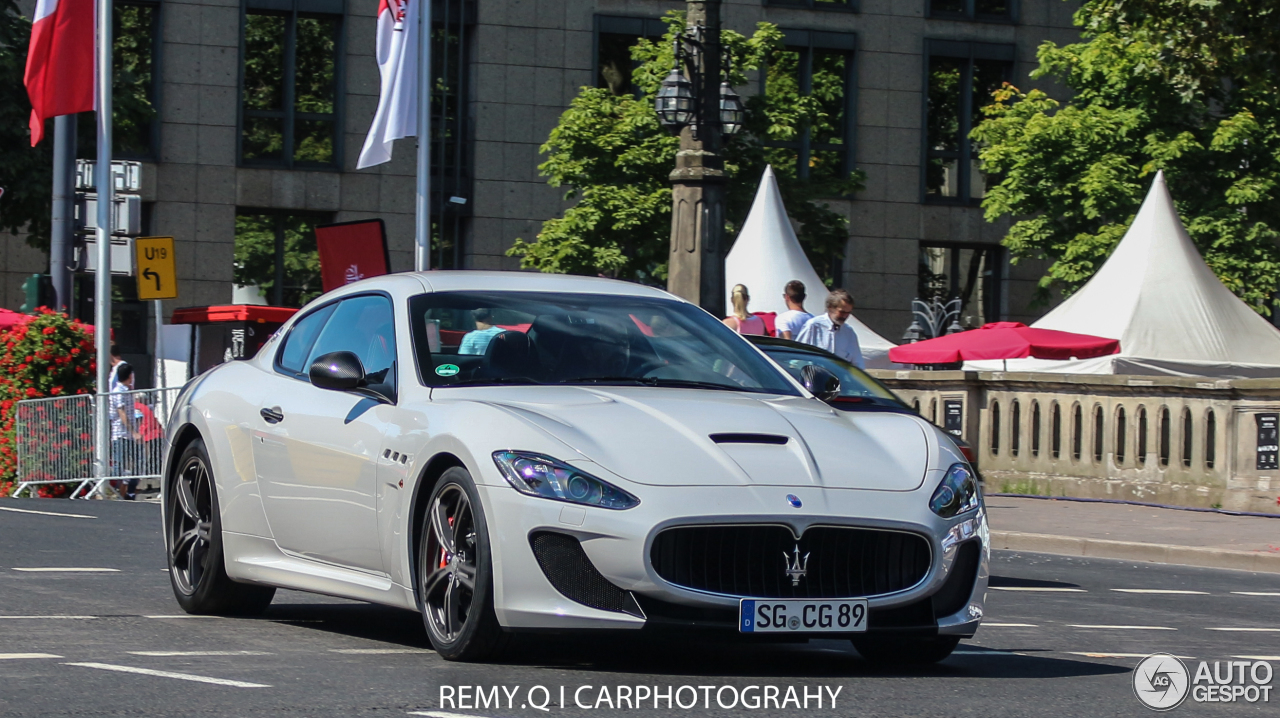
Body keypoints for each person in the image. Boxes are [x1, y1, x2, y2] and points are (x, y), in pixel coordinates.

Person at [795, 288, 865, 369]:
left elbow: (858, 363)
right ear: (830, 307)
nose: (845, 316)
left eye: (848, 313)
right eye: (842, 312)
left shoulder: (849, 332)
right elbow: (798, 356)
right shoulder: (813, 326)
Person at [110, 364, 142, 500]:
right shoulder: (119, 391)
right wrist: (133, 431)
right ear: (130, 376)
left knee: (133, 464)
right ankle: (118, 492)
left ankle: (128, 492)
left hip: (127, 435)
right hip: (121, 434)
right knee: (121, 465)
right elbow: (121, 412)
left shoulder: (127, 390)